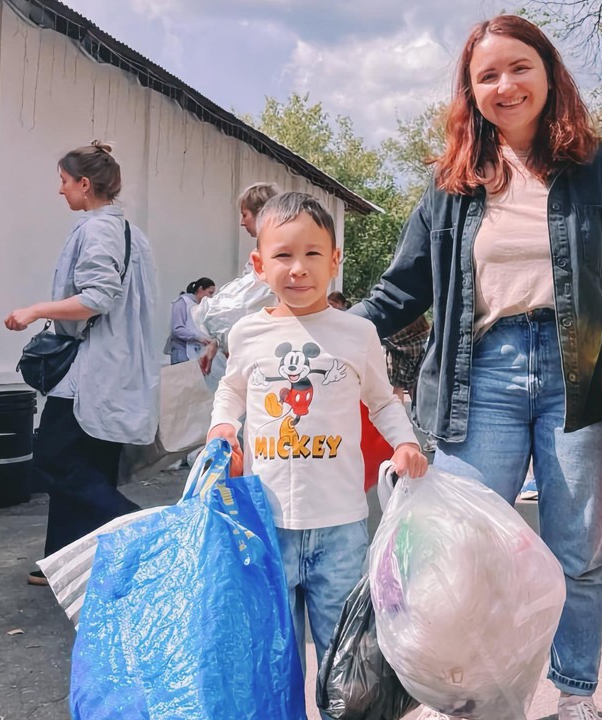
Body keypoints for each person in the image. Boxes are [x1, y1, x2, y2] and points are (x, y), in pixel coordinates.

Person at [349, 16, 602, 720]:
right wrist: (335, 333)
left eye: (519, 67)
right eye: (487, 75)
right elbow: (403, 288)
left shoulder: (601, 169)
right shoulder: (453, 184)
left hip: (580, 379)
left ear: (549, 73)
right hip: (479, 378)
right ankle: (471, 694)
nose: (506, 85)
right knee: (462, 551)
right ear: (471, 92)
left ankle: (575, 696)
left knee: (576, 553)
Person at [206, 192, 427, 699]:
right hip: (268, 524)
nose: (298, 268)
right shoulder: (247, 333)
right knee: (274, 653)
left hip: (341, 529)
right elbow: (232, 389)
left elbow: (384, 401)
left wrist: (406, 443)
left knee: (342, 663)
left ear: (335, 260)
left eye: (312, 254)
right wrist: (223, 427)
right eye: (282, 255)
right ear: (259, 265)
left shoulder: (357, 333)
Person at [4, 141, 158, 586]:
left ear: (85, 185)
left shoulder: (99, 230)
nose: (60, 190)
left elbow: (97, 297)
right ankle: (64, 561)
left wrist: (37, 310)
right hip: (109, 369)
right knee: (89, 467)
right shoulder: (126, 230)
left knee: (55, 462)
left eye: (64, 181)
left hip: (89, 373)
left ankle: (147, 534)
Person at [197, 182, 280, 375]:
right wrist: (217, 343)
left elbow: (249, 305)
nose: (242, 223)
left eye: (245, 215)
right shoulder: (261, 254)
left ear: (262, 214)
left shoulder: (278, 257)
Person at [166, 277, 215, 364]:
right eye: (210, 293)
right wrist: (198, 337)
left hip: (195, 352)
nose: (211, 297)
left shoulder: (198, 307)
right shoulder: (182, 302)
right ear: (200, 289)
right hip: (182, 353)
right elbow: (177, 329)